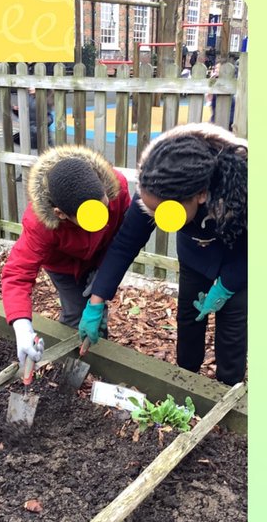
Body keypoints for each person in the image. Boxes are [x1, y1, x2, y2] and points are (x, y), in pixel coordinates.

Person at [81, 124, 247, 385]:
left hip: (239, 258)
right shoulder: (157, 186)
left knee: (232, 327)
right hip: (195, 254)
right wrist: (96, 300)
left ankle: (228, 389)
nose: (158, 219)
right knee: (189, 317)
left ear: (201, 194)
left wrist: (227, 285)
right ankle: (185, 377)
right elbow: (125, 243)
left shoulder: (241, 189)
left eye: (166, 214)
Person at [1, 145, 130, 372]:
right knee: (75, 311)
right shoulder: (41, 223)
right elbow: (17, 274)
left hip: (102, 257)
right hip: (63, 266)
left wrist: (104, 275)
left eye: (103, 209)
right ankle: (69, 366)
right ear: (60, 213)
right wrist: (22, 327)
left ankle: (100, 355)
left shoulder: (116, 188)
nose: (101, 219)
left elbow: (124, 235)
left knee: (97, 306)